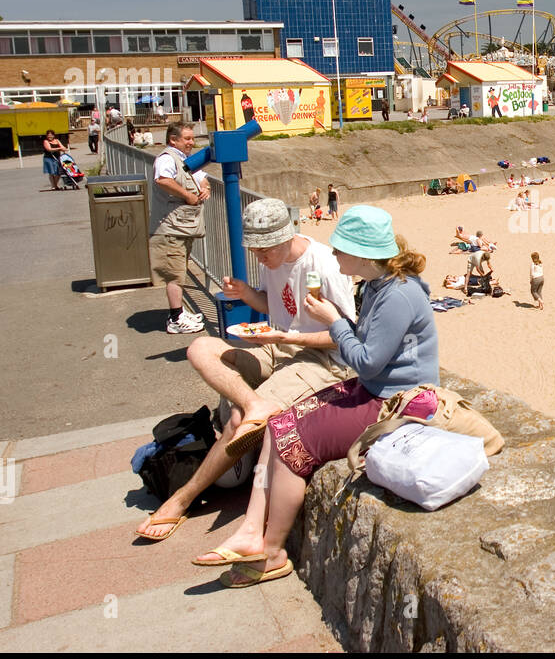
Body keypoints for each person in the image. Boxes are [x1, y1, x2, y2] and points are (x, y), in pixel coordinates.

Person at [191, 206, 438, 586]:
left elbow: (367, 361)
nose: (333, 254)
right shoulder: (377, 286)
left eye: (340, 249)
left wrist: (334, 322)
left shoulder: (397, 296)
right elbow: (366, 346)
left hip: (398, 400)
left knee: (294, 442)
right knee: (278, 424)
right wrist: (338, 325)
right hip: (377, 389)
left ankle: (272, 553)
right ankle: (250, 530)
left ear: (363, 254)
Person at [134, 198, 358, 542]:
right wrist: (246, 294)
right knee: (201, 348)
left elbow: (344, 336)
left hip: (321, 360)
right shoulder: (274, 258)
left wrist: (287, 335)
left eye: (264, 250)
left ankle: (182, 499)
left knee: (238, 420)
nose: (259, 257)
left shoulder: (324, 265)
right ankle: (255, 405)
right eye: (254, 249)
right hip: (280, 348)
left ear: (287, 237)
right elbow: (274, 303)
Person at [148, 123, 210, 333]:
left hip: (182, 226)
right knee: (175, 273)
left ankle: (180, 312)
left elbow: (202, 178)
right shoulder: (167, 158)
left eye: (192, 139)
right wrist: (187, 195)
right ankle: (175, 318)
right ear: (173, 139)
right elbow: (163, 180)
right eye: (187, 139)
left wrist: (204, 187)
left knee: (179, 270)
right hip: (170, 228)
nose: (191, 143)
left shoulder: (185, 159)